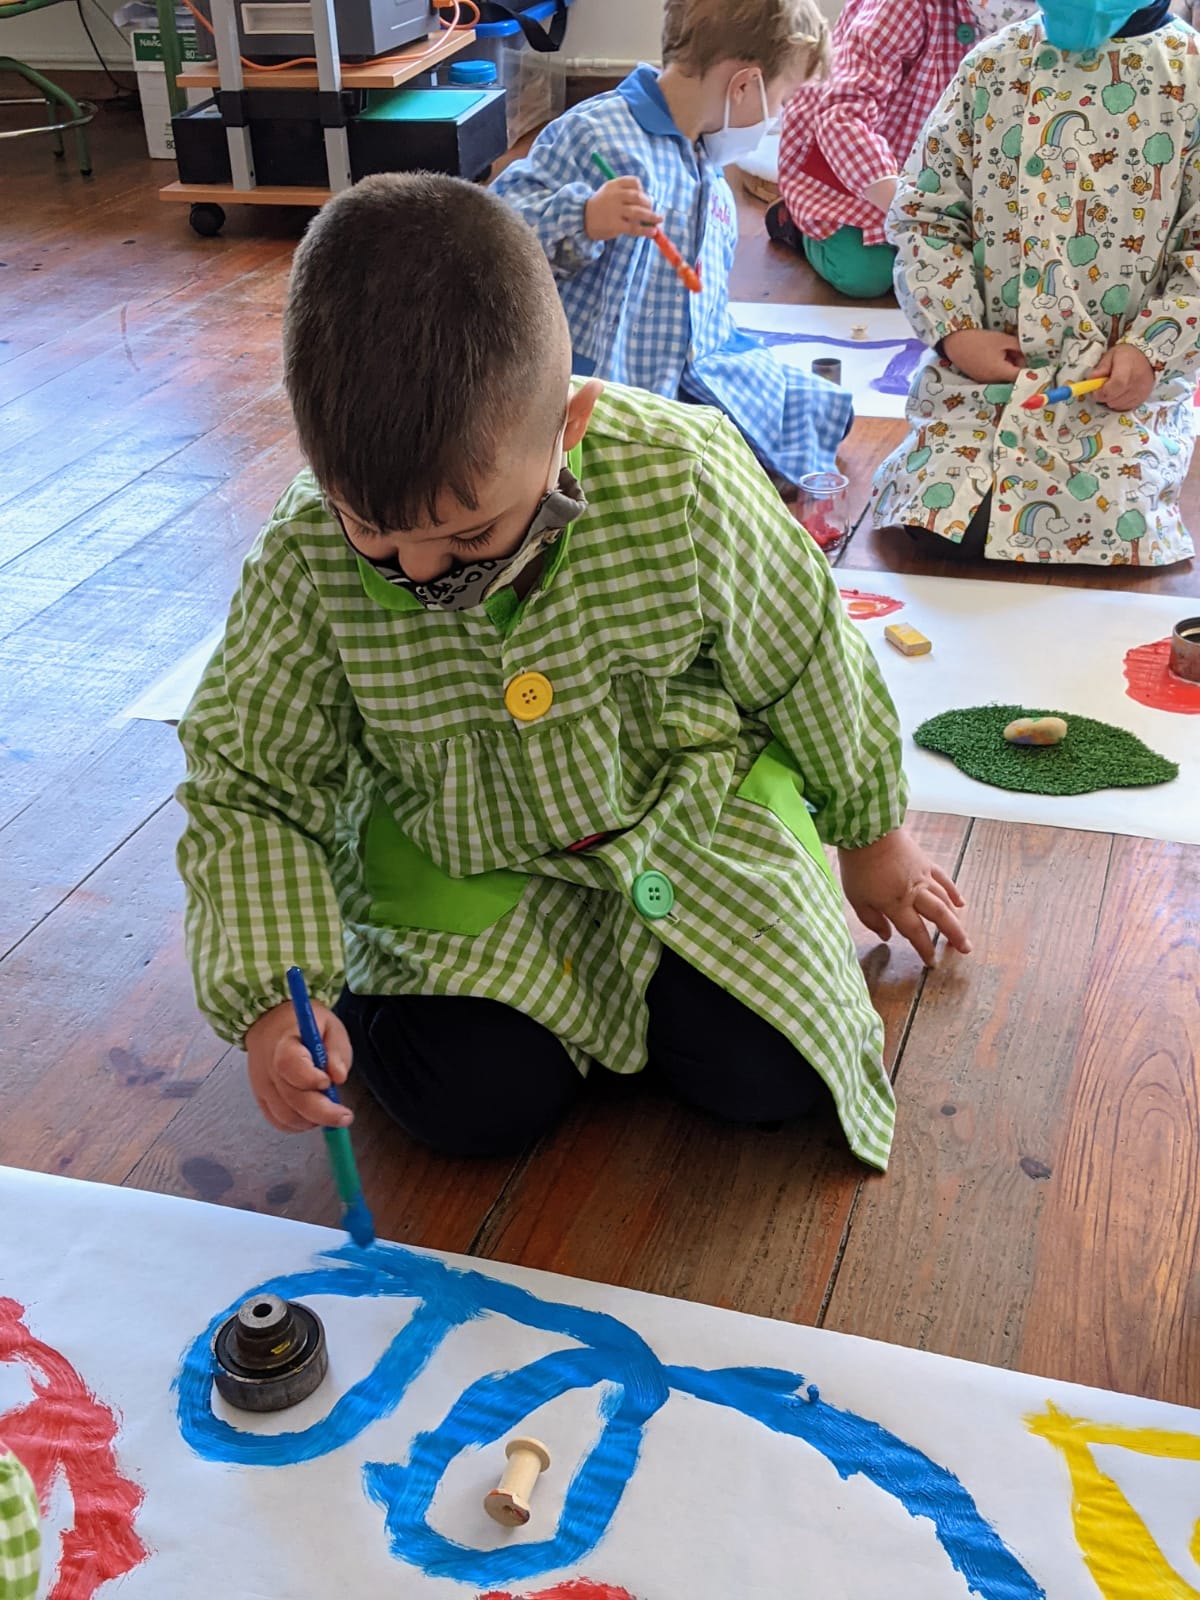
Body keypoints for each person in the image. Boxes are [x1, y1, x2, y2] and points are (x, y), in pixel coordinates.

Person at [175, 174, 970, 1172]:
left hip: (688, 823)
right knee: (471, 1107)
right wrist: (272, 1000)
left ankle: (655, 1004)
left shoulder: (684, 475)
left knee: (773, 1077)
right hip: (465, 868)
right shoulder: (302, 557)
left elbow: (807, 652)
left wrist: (873, 834)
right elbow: (250, 782)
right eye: (370, 528)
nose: (419, 573)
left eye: (470, 536)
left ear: (572, 424)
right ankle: (511, 1018)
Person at [872, 0, 1199, 565]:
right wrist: (956, 332)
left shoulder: (1189, 73)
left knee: (1102, 524)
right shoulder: (992, 65)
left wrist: (1151, 350)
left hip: (1115, 391)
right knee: (940, 518)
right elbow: (927, 217)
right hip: (985, 380)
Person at [490, 0, 853, 490]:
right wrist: (585, 216)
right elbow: (496, 238)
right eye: (782, 101)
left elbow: (706, 316)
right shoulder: (597, 133)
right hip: (607, 387)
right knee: (688, 472)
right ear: (743, 85)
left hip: (693, 370)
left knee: (815, 409)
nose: (777, 118)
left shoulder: (707, 163)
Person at [769, 0, 1039, 300]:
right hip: (860, 167)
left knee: (996, 269)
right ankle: (797, 227)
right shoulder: (903, 7)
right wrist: (912, 209)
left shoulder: (1059, 18)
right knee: (866, 273)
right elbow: (841, 115)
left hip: (958, 176)